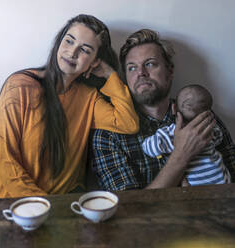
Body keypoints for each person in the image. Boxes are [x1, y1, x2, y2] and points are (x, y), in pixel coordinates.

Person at [0, 14, 139, 198]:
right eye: (69, 41)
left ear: (94, 62)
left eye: (85, 50)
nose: (72, 52)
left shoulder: (88, 97)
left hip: (64, 206)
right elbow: (6, 162)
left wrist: (110, 75)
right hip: (16, 206)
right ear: (59, 42)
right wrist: (44, 204)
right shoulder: (20, 86)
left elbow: (128, 123)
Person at [91, 29, 235, 191]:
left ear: (170, 71)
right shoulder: (109, 134)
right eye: (132, 68)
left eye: (150, 64)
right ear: (125, 77)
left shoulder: (199, 115)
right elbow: (127, 208)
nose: (141, 73)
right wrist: (181, 155)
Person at [142, 84, 231, 186]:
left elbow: (149, 148)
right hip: (222, 179)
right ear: (207, 113)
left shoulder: (171, 132)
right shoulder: (210, 128)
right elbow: (219, 137)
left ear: (174, 108)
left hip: (197, 186)